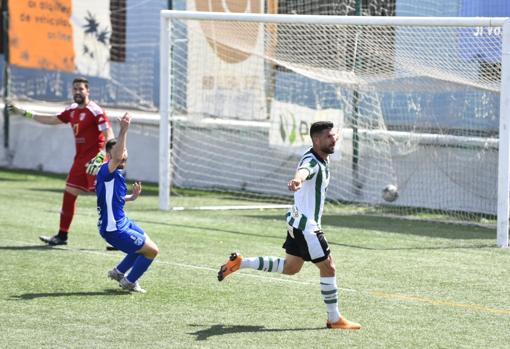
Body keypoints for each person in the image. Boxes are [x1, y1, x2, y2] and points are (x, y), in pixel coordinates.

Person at [218, 121, 361, 330]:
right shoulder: (312, 162)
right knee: (328, 268)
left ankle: (241, 262)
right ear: (316, 140)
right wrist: (297, 180)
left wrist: (335, 134)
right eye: (329, 137)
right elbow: (304, 171)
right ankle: (334, 318)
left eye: (334, 136)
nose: (333, 139)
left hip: (295, 222)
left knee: (290, 268)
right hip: (307, 227)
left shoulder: (317, 155)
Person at [8, 77, 114, 245]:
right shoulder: (71, 111)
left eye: (81, 89)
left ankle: (117, 237)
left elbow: (110, 134)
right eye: (75, 89)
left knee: (105, 197)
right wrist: (24, 113)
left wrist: (102, 156)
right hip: (79, 161)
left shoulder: (95, 111)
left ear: (88, 91)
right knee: (69, 193)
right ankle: (62, 236)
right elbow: (51, 119)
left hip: (95, 161)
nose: (77, 92)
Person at [96, 112, 159, 293]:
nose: (124, 155)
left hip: (121, 221)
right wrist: (124, 130)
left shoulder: (113, 175)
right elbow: (116, 157)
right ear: (110, 155)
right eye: (119, 152)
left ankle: (119, 272)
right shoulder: (107, 171)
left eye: (125, 151)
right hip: (114, 229)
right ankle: (129, 282)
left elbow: (111, 199)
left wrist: (130, 198)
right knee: (151, 251)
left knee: (145, 243)